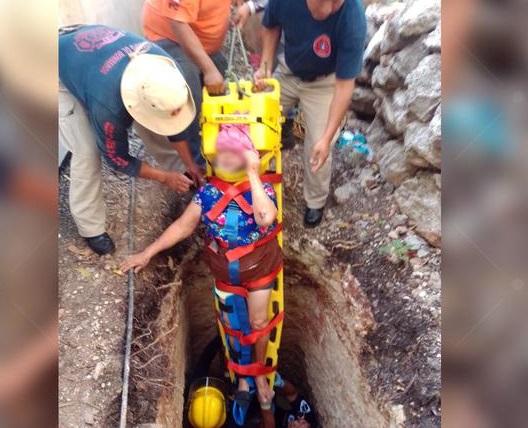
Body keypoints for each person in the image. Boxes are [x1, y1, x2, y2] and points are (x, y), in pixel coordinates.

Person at [121, 123, 282, 411]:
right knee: (234, 326)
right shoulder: (207, 194)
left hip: (259, 268)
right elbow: (184, 226)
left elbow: (266, 217)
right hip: (225, 272)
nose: (226, 160)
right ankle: (243, 380)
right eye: (222, 153)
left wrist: (253, 174)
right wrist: (148, 252)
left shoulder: (262, 189)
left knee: (258, 325)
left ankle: (259, 379)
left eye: (234, 154)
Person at [59, 25, 203, 255]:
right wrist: (164, 178)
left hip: (88, 56)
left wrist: (190, 163)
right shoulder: (109, 106)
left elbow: (172, 118)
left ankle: (187, 180)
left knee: (159, 122)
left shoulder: (165, 69)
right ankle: (90, 227)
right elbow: (117, 159)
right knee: (86, 152)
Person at [255, 0, 367, 228]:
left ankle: (315, 201)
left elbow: (344, 86)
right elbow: (270, 25)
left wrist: (327, 138)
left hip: (325, 81)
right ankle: (256, 183)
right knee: (257, 122)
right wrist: (266, 65)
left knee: (318, 143)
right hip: (287, 71)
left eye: (333, 4)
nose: (325, 11)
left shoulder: (352, 18)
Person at [142, 0, 231, 161]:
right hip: (170, 36)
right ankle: (195, 164)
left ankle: (223, 145)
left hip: (201, 38)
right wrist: (208, 69)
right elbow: (178, 23)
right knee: (189, 90)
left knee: (223, 87)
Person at [188, 335, 318, 428]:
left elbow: (268, 424)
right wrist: (281, 383)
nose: (295, 423)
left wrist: (264, 406)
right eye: (300, 423)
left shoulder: (224, 421)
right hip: (268, 409)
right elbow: (292, 394)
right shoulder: (306, 415)